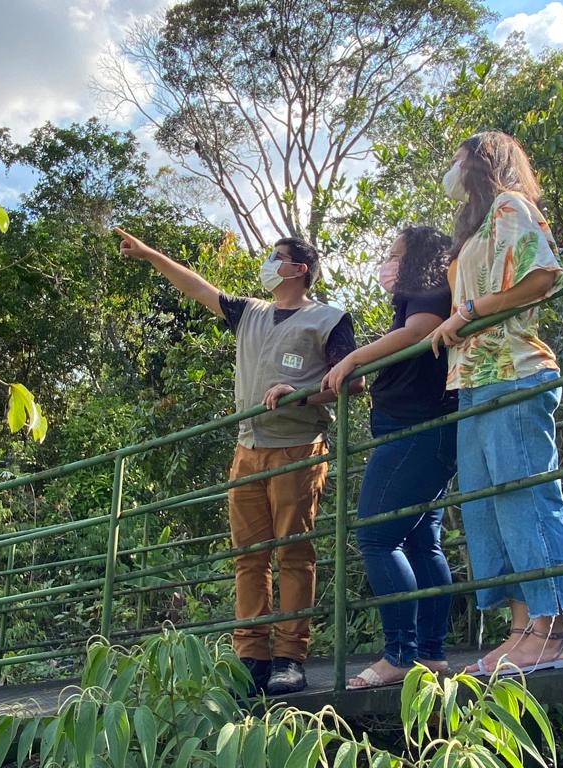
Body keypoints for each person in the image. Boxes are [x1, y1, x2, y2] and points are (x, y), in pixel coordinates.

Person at [114, 227, 363, 694]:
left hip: (298, 449)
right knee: (248, 558)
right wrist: (150, 254)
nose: (268, 262)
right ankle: (252, 659)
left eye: (277, 257)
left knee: (294, 552)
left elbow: (352, 382)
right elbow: (196, 286)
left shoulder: (328, 319)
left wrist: (302, 394)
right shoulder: (251, 312)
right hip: (246, 450)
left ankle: (291, 657)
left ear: (298, 270)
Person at [428, 131, 563, 676]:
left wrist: (469, 311)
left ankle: (553, 632)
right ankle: (522, 629)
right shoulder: (477, 225)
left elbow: (543, 274)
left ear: (483, 161)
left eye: (458, 158)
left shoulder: (509, 205)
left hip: (514, 371)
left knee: (524, 497)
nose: (452, 168)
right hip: (472, 380)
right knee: (487, 507)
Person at [321, 226, 458, 690]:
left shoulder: (430, 289)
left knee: (377, 537)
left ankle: (402, 653)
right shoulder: (420, 296)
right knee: (422, 544)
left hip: (418, 429)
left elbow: (419, 333)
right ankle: (430, 654)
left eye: (394, 254)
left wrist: (353, 358)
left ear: (416, 258)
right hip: (419, 428)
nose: (387, 262)